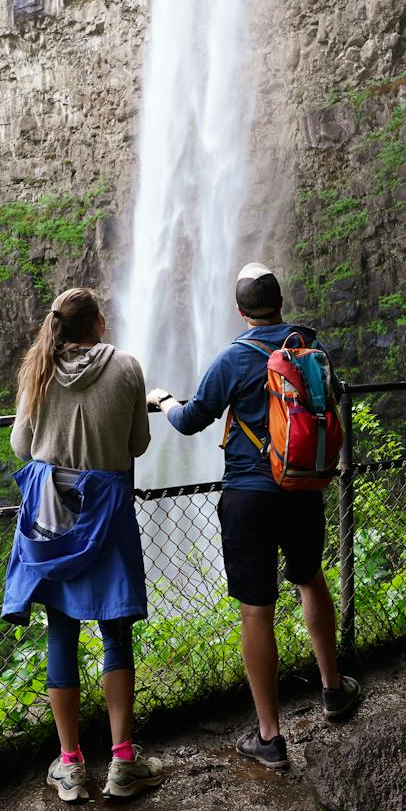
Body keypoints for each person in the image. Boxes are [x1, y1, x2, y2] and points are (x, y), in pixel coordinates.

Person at [146, 263, 362, 771]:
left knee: (256, 610)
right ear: (281, 303)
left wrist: (162, 399)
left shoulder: (233, 358)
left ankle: (270, 736)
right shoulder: (311, 349)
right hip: (304, 487)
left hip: (248, 496)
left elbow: (192, 418)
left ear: (240, 312)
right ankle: (333, 689)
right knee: (311, 579)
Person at [2, 287, 165, 802]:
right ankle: (122, 761)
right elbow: (138, 443)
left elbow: (20, 446)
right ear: (96, 323)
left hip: (55, 516)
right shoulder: (128, 369)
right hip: (108, 512)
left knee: (61, 633)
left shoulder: (40, 372)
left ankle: (70, 764)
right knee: (115, 634)